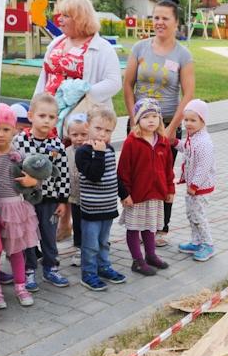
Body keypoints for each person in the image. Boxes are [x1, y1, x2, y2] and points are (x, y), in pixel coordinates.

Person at [34, 0, 120, 241]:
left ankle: (72, 223)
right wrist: (36, 104)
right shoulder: (57, 43)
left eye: (66, 15)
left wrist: (81, 93)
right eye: (59, 14)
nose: (60, 19)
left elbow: (113, 82)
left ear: (81, 18)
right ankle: (60, 218)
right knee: (55, 168)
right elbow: (45, 76)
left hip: (79, 119)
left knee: (74, 169)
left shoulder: (100, 47)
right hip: (51, 116)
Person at [122, 0, 196, 247]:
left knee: (162, 176)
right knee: (137, 176)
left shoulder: (183, 54)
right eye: (156, 17)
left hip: (166, 122)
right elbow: (127, 84)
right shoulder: (140, 48)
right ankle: (137, 225)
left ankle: (160, 228)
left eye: (165, 18)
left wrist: (173, 127)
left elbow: (187, 94)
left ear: (176, 22)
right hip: (138, 123)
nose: (159, 22)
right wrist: (134, 119)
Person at [12, 93, 71, 290]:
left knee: (48, 234)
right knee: (27, 235)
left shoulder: (57, 146)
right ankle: (29, 270)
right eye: (42, 116)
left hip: (49, 200)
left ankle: (51, 268)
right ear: (31, 116)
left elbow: (62, 174)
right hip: (25, 200)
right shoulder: (19, 141)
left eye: (52, 117)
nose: (47, 120)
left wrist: (62, 200)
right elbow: (13, 167)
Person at [117, 98, 174, 276]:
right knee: (134, 228)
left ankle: (150, 255)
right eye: (146, 116)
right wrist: (125, 194)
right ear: (137, 120)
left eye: (155, 116)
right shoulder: (131, 142)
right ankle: (137, 261)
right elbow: (123, 171)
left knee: (150, 227)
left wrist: (170, 188)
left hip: (156, 194)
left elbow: (168, 168)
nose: (151, 120)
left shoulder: (163, 141)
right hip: (136, 196)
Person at [0, 103, 41, 309]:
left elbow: (34, 178)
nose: (1, 134)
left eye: (6, 129)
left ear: (14, 130)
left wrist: (32, 181)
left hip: (15, 209)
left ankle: (21, 286)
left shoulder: (18, 155)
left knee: (16, 251)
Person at [75, 107, 126, 291]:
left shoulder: (109, 149)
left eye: (107, 131)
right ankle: (88, 273)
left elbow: (113, 175)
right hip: (92, 209)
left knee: (104, 242)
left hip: (108, 207)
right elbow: (94, 175)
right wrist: (99, 154)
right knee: (90, 245)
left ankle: (103, 267)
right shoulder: (83, 152)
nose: (102, 134)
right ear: (88, 126)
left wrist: (124, 194)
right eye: (98, 129)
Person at [176, 99, 216, 262]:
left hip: (200, 188)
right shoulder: (193, 138)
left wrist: (194, 185)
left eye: (193, 120)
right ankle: (196, 242)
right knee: (191, 214)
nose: (188, 124)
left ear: (203, 121)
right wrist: (175, 143)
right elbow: (186, 148)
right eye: (186, 120)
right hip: (192, 187)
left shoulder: (204, 142)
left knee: (198, 215)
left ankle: (208, 244)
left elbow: (204, 167)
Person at [65, 112, 91, 267]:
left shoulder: (92, 150)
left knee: (91, 223)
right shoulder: (66, 152)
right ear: (68, 134)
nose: (79, 138)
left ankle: (96, 245)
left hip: (90, 196)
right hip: (74, 197)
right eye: (75, 134)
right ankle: (79, 248)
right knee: (77, 223)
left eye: (83, 134)